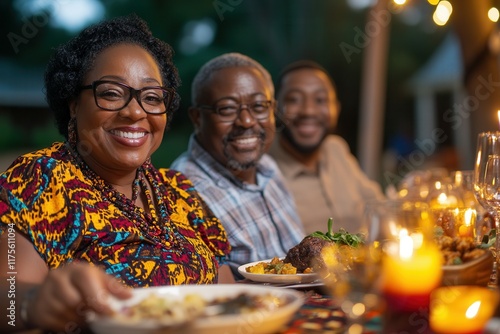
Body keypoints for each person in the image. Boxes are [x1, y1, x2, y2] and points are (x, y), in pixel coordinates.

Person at [0, 15, 233, 333]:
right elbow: (8, 300)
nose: (135, 111)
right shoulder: (41, 179)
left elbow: (228, 290)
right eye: (110, 93)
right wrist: (33, 303)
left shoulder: (178, 190)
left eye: (152, 98)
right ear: (72, 104)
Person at [171, 53, 305, 279]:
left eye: (259, 106)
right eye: (227, 109)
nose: (247, 121)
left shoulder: (268, 167)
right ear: (197, 118)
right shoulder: (182, 191)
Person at [268, 60, 385, 234]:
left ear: (336, 109)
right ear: (275, 109)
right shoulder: (262, 168)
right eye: (294, 100)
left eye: (320, 100)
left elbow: (379, 208)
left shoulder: (336, 147)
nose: (308, 111)